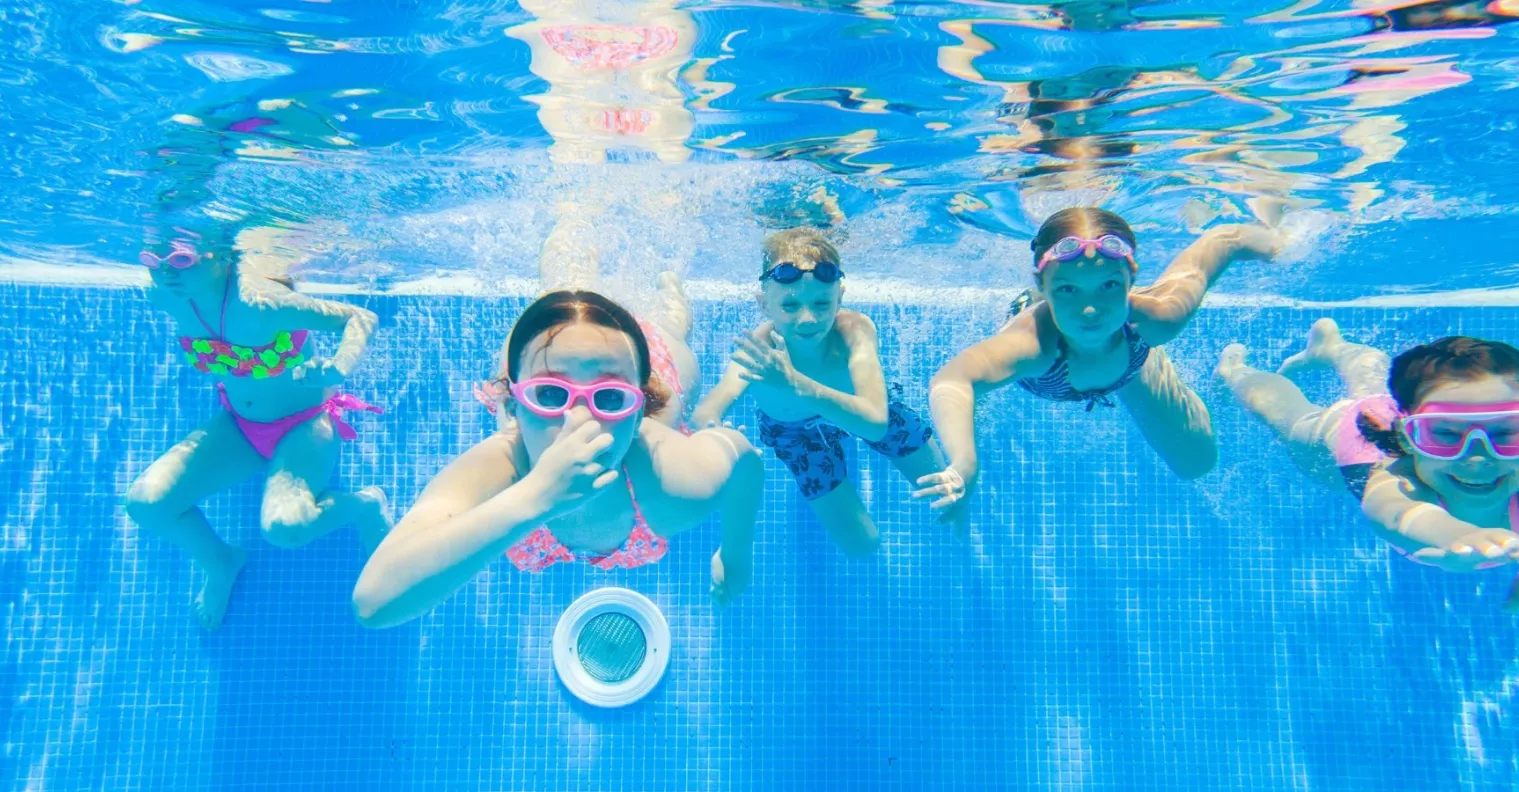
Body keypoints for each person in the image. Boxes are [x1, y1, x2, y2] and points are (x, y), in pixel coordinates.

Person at [353, 288, 764, 629]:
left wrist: (735, 553)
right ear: (514, 405)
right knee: (559, 293)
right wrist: (535, 496)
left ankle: (670, 298)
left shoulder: (671, 477)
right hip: (567, 362)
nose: (579, 423)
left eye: (609, 398)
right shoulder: (504, 464)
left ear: (639, 410)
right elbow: (374, 601)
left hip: (649, 358)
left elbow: (744, 460)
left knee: (671, 326)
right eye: (550, 394)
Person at [917, 207, 1280, 520]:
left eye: (1108, 285)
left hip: (1129, 357)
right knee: (974, 405)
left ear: (1131, 279)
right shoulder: (1032, 345)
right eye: (1068, 290)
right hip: (1071, 351)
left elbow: (1223, 241)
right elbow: (953, 381)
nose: (1090, 310)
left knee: (1197, 462)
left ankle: (1219, 375)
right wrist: (965, 463)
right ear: (1042, 286)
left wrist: (1279, 241)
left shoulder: (1155, 320)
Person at [124, 225, 390, 630]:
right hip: (239, 426)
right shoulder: (165, 295)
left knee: (286, 528)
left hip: (304, 426)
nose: (166, 272)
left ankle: (365, 503)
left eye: (181, 258)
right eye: (153, 261)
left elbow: (360, 317)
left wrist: (338, 366)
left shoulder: (260, 303)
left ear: (221, 255)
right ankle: (221, 564)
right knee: (146, 504)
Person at [692, 228, 953, 553]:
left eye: (821, 303)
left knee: (950, 496)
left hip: (861, 409)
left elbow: (874, 423)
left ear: (839, 297)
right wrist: (715, 434)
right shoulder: (760, 349)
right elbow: (708, 409)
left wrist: (795, 385)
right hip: (797, 436)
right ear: (764, 303)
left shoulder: (854, 331)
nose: (807, 318)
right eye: (790, 305)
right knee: (863, 545)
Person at [1219, 324, 1519, 606]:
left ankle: (1333, 347)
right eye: (1445, 433)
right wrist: (1454, 535)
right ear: (1407, 434)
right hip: (1362, 441)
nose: (1479, 458)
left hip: (1395, 412)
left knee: (1373, 387)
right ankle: (1235, 374)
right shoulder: (1397, 481)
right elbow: (1397, 513)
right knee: (1291, 419)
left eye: (1507, 431)